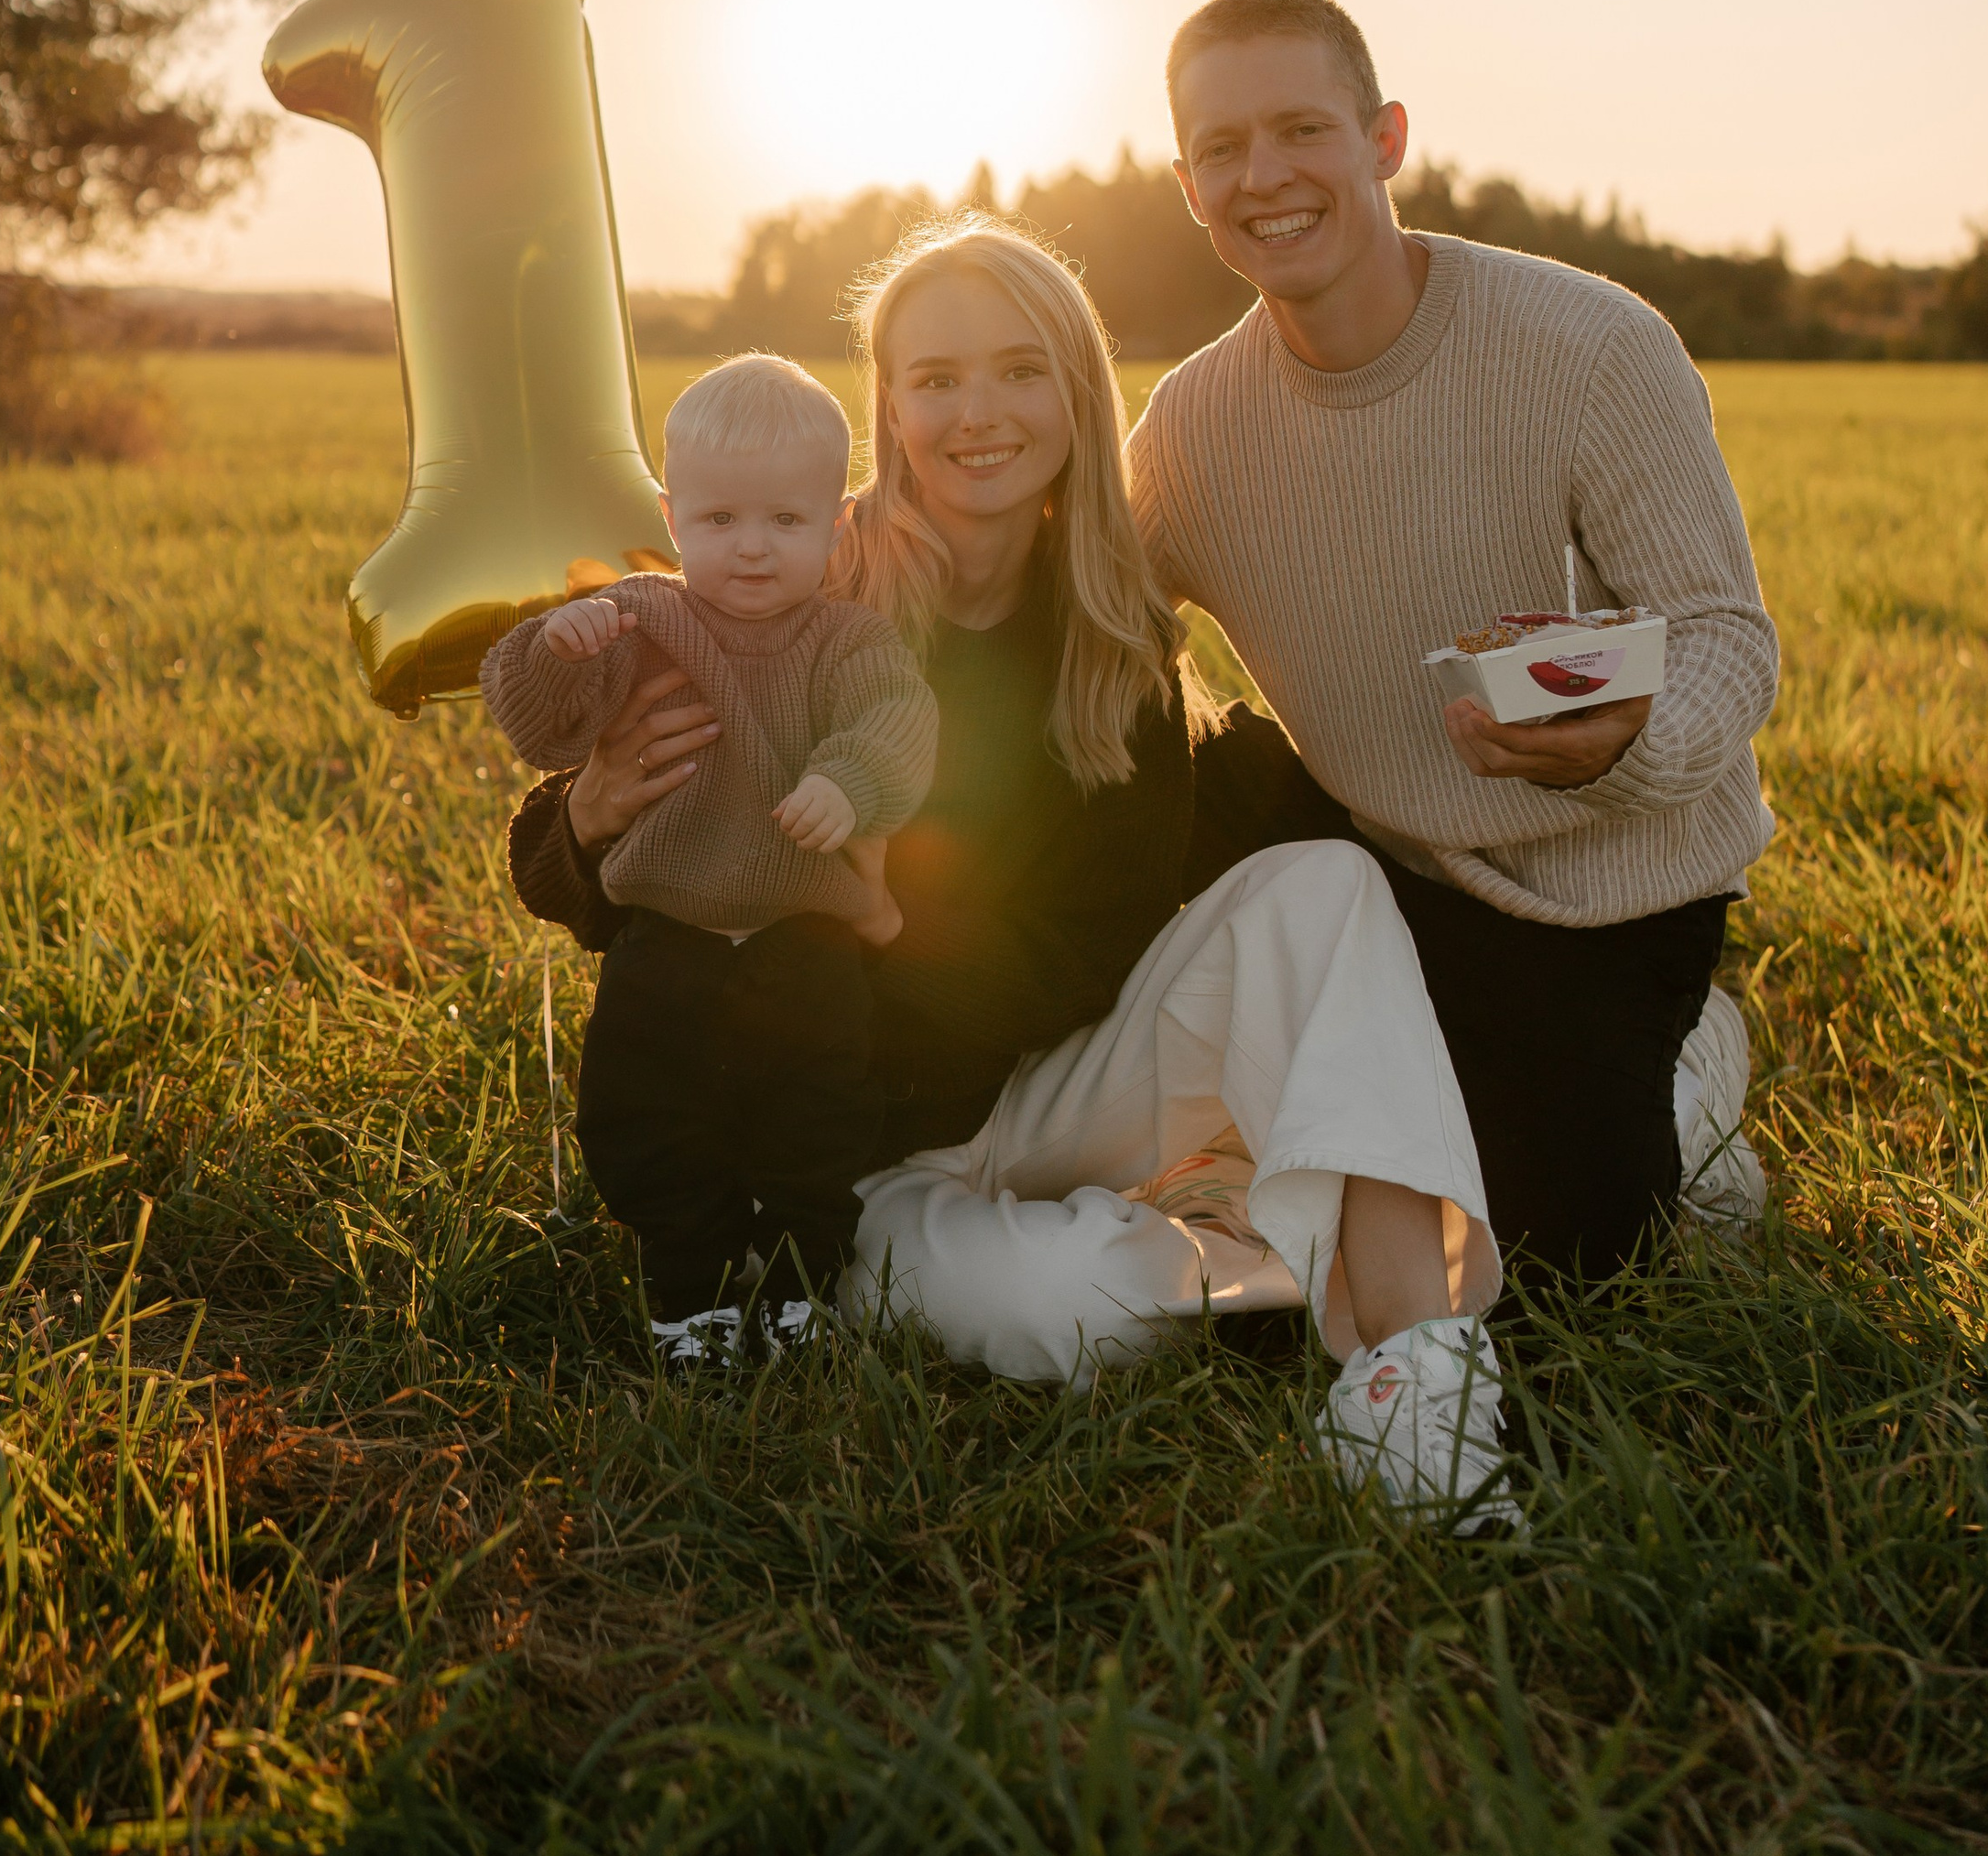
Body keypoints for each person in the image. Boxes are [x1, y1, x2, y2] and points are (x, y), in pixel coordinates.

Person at [507, 222, 1513, 1523]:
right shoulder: (797, 582)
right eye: (935, 379)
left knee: (1323, 888)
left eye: (1020, 370)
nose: (978, 412)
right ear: (891, 407)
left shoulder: (1113, 636)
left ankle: (1415, 1379)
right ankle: (1245, 1212)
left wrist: (881, 921)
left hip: (1043, 1074)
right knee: (1072, 1323)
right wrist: (589, 820)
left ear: (1077, 395)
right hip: (849, 1131)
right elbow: (588, 868)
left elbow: (1088, 956)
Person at [1128, 0, 1777, 1287]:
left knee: (1560, 1268)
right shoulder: (1192, 430)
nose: (1265, 175)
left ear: (1386, 140)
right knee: (1135, 749)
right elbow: (1075, 620)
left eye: (1302, 129)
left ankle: (1690, 1069)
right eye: (1221, 149)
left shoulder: (1590, 345)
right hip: (1378, 870)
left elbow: (1724, 636)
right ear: (1192, 190)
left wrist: (1622, 742)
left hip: (1610, 894)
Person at [482, 354, 937, 1366]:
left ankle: (800, 1285)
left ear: (838, 523)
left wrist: (848, 781)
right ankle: (689, 1289)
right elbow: (539, 728)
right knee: (646, 1117)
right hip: (665, 937)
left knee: (815, 1118)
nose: (754, 550)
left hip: (805, 940)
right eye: (721, 520)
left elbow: (897, 719)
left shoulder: (847, 639)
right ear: (671, 513)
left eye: (786, 521)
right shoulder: (642, 619)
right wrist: (556, 643)